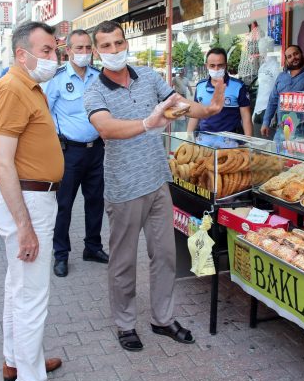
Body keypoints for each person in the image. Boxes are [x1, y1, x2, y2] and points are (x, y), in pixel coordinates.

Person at [83, 20, 225, 352]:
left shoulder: (147, 76)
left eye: (119, 43)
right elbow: (105, 127)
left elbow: (178, 104)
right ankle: (124, 324)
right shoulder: (95, 90)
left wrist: (210, 109)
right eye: (106, 46)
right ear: (95, 51)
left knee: (164, 255)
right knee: (123, 261)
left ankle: (162, 319)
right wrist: (147, 122)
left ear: (125, 43)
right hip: (124, 187)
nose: (115, 50)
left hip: (158, 181)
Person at [0, 21, 64, 381]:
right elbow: (2, 162)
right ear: (22, 54)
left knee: (19, 287)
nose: (54, 57)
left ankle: (17, 361)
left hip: (34, 197)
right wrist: (24, 226)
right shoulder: (13, 88)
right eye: (46, 51)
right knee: (32, 293)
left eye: (54, 50)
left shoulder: (30, 87)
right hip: (28, 200)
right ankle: (30, 379)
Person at [44, 29, 108, 278]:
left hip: (97, 151)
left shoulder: (99, 77)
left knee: (95, 202)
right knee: (64, 206)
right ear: (67, 50)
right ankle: (60, 255)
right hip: (68, 152)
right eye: (78, 48)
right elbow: (45, 114)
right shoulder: (56, 78)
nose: (83, 53)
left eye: (87, 48)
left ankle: (93, 247)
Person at [261, 45, 304, 137]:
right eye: (289, 57)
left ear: (302, 55)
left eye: (296, 54)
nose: (293, 58)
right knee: (274, 152)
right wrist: (266, 122)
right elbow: (272, 101)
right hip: (281, 130)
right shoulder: (281, 76)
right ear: (286, 61)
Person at [188, 47, 252, 136]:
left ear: (226, 65)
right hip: (204, 140)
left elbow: (246, 118)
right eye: (212, 65)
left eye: (220, 65)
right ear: (206, 66)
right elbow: (195, 116)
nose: (216, 69)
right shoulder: (200, 86)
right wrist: (188, 138)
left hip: (231, 142)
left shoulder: (238, 86)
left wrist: (249, 144)